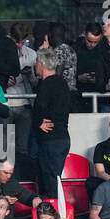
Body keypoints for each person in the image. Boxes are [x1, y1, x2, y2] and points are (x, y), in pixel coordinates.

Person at [31, 48, 72, 196]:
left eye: (36, 62)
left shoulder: (47, 85)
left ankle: (56, 216)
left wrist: (38, 123)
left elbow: (39, 110)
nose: (35, 65)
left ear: (42, 64)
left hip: (50, 140)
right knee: (53, 180)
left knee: (50, 184)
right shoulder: (62, 83)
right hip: (61, 138)